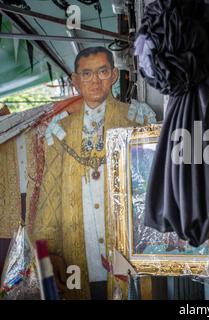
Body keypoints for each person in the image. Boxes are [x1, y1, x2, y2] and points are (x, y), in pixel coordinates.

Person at [30, 47, 146, 299]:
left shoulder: (138, 119)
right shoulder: (59, 130)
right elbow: (48, 200)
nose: (95, 80)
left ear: (114, 75)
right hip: (76, 253)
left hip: (127, 249)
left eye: (102, 72)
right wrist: (46, 260)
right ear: (75, 80)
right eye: (87, 73)